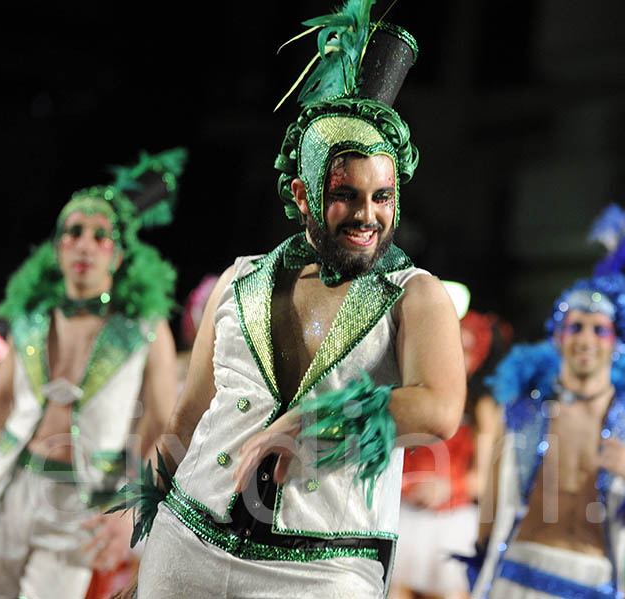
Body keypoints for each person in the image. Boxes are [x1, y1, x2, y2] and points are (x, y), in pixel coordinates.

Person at [122, 6, 466, 599]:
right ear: (303, 194)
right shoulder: (238, 281)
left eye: (383, 196)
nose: (368, 216)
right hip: (187, 546)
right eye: (345, 195)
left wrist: (310, 423)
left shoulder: (415, 295)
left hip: (322, 569)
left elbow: (438, 410)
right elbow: (184, 423)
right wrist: (143, 550)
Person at [0, 148, 184, 599]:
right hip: (10, 489)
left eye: (102, 235)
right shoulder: (31, 316)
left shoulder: (144, 330)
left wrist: (131, 509)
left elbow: (165, 427)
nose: (85, 245)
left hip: (81, 501)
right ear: (57, 246)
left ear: (119, 254)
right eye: (74, 232)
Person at [468, 164, 625, 599]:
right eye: (576, 327)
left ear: (617, 341)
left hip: (593, 582)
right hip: (515, 575)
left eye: (599, 329)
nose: (586, 339)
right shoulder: (524, 411)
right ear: (558, 336)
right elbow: (490, 509)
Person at [390, 309, 511, 599]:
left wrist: (447, 488)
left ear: (478, 356)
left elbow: (482, 480)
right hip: (404, 514)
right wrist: (409, 487)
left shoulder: (481, 408)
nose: (457, 356)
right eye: (452, 346)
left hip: (452, 521)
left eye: (467, 349)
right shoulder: (412, 393)